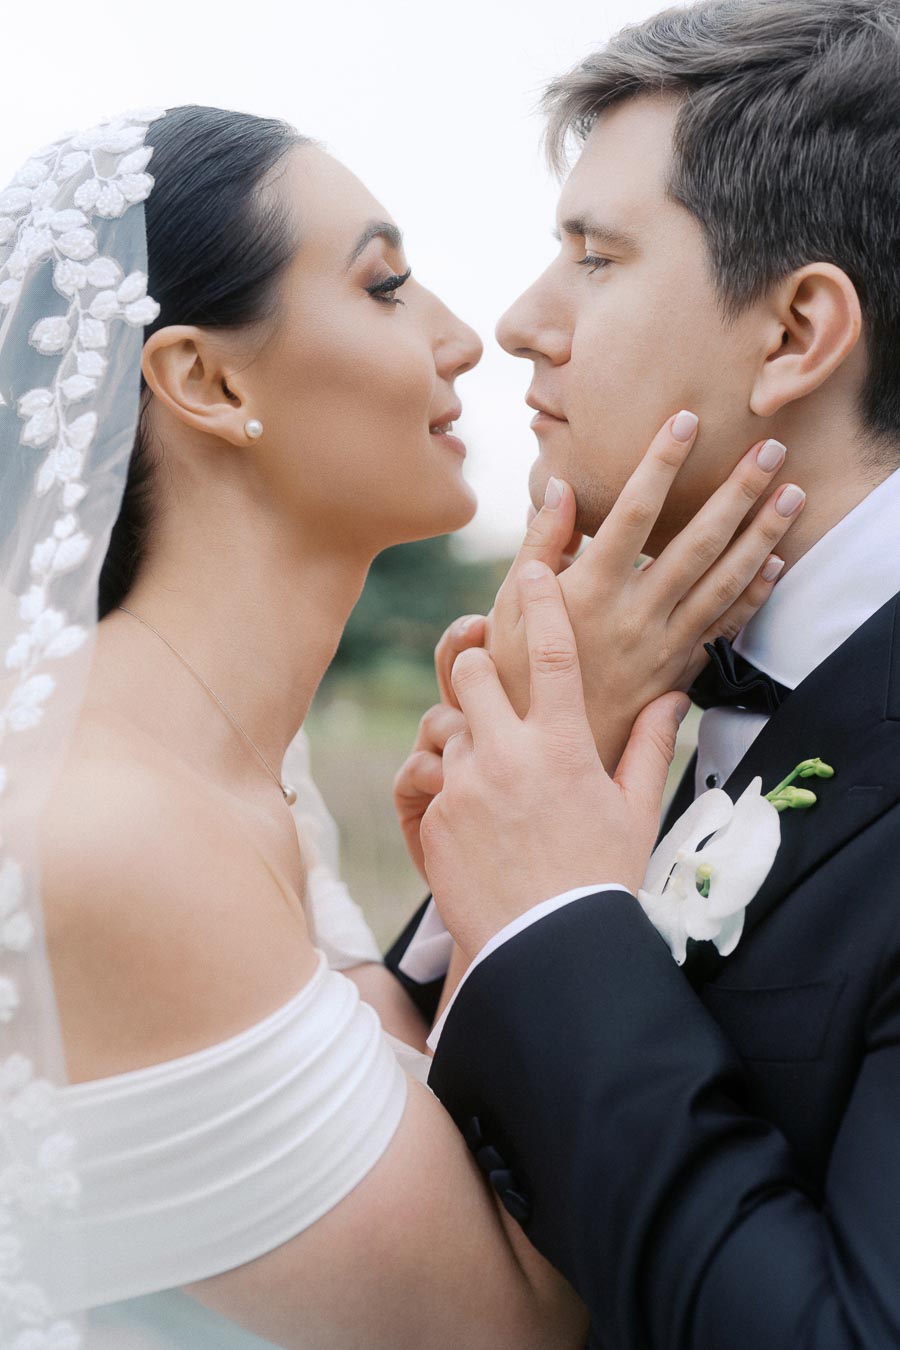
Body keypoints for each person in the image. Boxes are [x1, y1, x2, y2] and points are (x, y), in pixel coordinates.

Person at [0, 104, 798, 1349]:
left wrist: (529, 751)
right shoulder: (118, 838)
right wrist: (549, 846)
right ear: (207, 382)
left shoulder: (251, 778)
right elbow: (524, 1329)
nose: (467, 338)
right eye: (383, 286)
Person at [388, 2, 900, 1347]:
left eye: (594, 258)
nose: (514, 322)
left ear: (796, 334)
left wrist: (555, 906)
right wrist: (538, 766)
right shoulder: (660, 672)